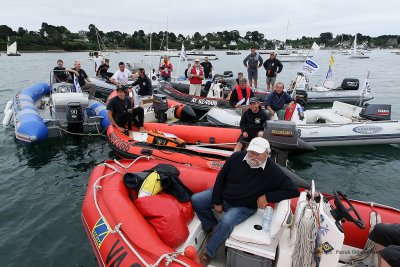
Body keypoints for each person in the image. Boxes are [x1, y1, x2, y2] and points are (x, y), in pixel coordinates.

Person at [191, 137, 300, 264]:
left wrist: (267, 197)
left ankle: (208, 252)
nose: (253, 156)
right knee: (196, 200)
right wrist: (217, 201)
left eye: (258, 154)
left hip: (244, 206)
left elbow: (293, 190)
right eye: (251, 152)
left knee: (226, 222)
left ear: (267, 153)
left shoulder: (273, 171)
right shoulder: (236, 158)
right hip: (225, 196)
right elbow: (220, 179)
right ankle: (213, 227)